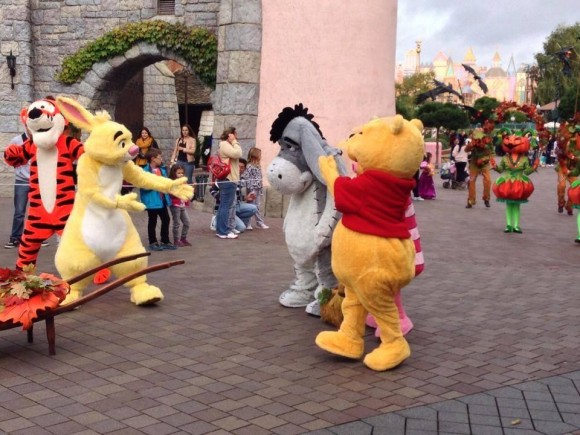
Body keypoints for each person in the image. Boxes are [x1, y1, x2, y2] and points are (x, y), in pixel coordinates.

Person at [4, 129, 49, 249]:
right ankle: (15, 238)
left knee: (39, 211)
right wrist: (19, 170)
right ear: (26, 125)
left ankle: (39, 237)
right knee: (19, 211)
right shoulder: (17, 140)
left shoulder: (40, 140)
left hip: (37, 181)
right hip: (21, 181)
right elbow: (9, 157)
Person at [140, 149, 177, 251]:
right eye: (159, 158)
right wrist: (155, 185)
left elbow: (166, 183)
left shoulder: (162, 170)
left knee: (166, 219)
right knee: (153, 221)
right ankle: (153, 242)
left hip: (162, 200)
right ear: (153, 159)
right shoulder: (144, 172)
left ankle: (165, 241)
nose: (161, 159)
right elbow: (143, 186)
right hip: (152, 201)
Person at [215, 127, 242, 239]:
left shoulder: (226, 145)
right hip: (228, 179)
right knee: (226, 206)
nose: (236, 135)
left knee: (223, 206)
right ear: (231, 134)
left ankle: (221, 229)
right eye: (235, 134)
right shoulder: (225, 145)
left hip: (229, 179)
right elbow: (238, 154)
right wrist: (234, 141)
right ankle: (223, 231)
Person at [241, 147, 269, 229]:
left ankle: (258, 222)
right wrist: (250, 190)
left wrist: (260, 188)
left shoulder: (258, 166)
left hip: (258, 188)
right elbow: (247, 178)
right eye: (259, 154)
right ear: (255, 155)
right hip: (252, 188)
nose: (261, 156)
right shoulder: (249, 166)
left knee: (257, 206)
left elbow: (259, 178)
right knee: (251, 205)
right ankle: (249, 223)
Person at [465, 132, 494, 208]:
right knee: (471, 182)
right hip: (474, 164)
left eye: (480, 140)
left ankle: (486, 198)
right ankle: (470, 201)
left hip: (485, 164)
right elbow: (466, 150)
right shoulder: (474, 142)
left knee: (488, 180)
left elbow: (492, 154)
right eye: (477, 140)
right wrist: (471, 145)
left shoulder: (488, 143)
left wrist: (483, 159)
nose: (478, 142)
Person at [168, 163, 192, 247]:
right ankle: (176, 240)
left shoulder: (184, 181)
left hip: (182, 205)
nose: (181, 175)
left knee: (187, 222)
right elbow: (171, 194)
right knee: (176, 223)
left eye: (182, 173)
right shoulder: (172, 183)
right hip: (175, 205)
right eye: (179, 173)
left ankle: (183, 238)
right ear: (174, 173)